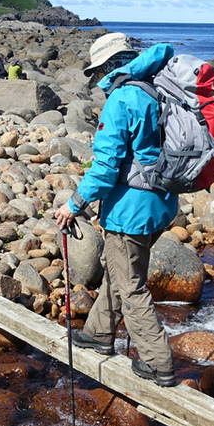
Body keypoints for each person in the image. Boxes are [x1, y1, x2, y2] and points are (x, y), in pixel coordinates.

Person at [53, 32, 179, 387]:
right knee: (119, 272)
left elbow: (106, 168)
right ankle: (98, 332)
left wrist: (74, 205)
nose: (96, 81)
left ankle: (159, 363)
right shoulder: (156, 87)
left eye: (97, 73)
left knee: (131, 284)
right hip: (161, 203)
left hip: (131, 211)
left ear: (109, 65)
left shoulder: (122, 98)